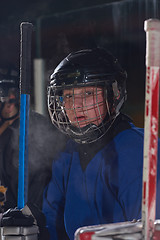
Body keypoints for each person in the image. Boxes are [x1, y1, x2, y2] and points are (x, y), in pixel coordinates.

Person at [41, 48, 160, 240]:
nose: (76, 105)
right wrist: (30, 227)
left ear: (113, 95)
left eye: (87, 93)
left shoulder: (139, 151)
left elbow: (151, 229)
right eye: (69, 96)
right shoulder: (67, 155)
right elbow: (51, 223)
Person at [0, 66, 67, 212]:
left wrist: (30, 214)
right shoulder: (4, 127)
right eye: (4, 94)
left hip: (30, 218)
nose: (9, 100)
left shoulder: (34, 128)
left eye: (13, 93)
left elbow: (42, 180)